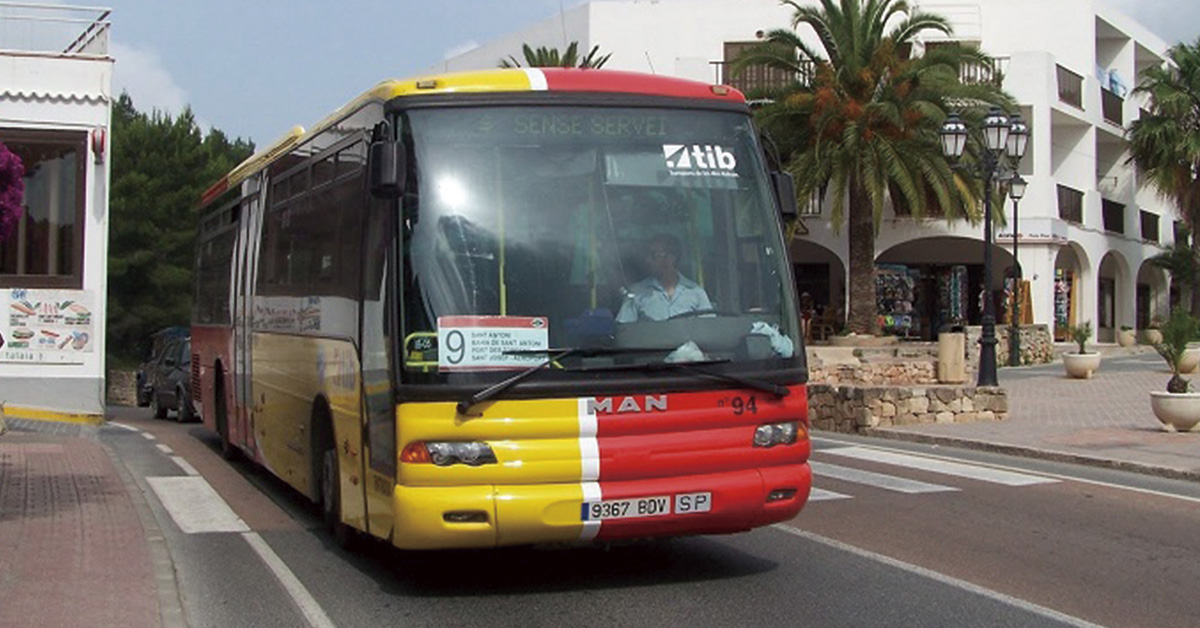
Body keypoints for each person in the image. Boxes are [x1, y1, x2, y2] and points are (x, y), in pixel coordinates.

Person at [616, 233, 713, 322]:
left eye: (655, 255)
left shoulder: (696, 292)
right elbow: (624, 330)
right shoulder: (636, 293)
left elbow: (708, 329)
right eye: (647, 255)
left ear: (671, 258)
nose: (648, 260)